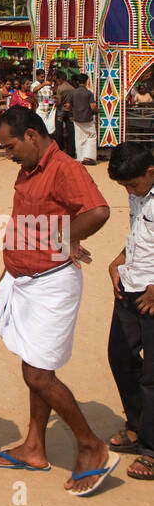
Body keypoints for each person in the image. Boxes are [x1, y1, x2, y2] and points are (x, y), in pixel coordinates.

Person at [0, 107, 118, 495]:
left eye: (11, 146)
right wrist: (8, 269)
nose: (8, 153)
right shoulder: (28, 170)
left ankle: (92, 447)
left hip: (51, 283)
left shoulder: (64, 168)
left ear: (31, 135)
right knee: (33, 363)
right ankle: (34, 447)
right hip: (24, 278)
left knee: (38, 374)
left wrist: (65, 238)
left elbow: (98, 211)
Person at [106, 143, 154, 482]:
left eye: (133, 185)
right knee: (119, 356)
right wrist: (120, 259)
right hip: (130, 284)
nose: (129, 191)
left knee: (152, 374)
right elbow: (141, 233)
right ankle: (136, 425)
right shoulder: (138, 193)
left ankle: (151, 450)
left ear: (150, 172)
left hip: (152, 294)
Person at [71, 73, 97, 164]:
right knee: (92, 136)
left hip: (77, 118)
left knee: (79, 138)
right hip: (87, 118)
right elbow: (93, 107)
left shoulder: (73, 92)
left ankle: (80, 157)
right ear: (86, 82)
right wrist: (98, 110)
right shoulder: (89, 93)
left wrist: (74, 111)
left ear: (77, 82)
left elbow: (67, 105)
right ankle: (88, 157)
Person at [53, 70, 76, 157]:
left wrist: (55, 103)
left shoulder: (60, 88)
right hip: (70, 111)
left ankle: (59, 150)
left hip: (61, 111)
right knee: (71, 131)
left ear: (60, 79)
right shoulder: (72, 88)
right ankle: (71, 152)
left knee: (59, 131)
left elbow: (59, 102)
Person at [33, 68, 55, 134]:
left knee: (48, 130)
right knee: (39, 129)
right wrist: (43, 85)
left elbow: (48, 99)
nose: (43, 78)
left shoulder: (47, 86)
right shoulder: (35, 85)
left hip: (48, 111)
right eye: (41, 77)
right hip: (40, 110)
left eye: (44, 77)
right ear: (37, 76)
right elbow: (33, 90)